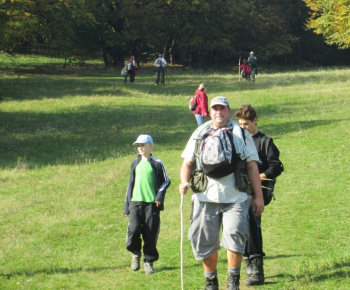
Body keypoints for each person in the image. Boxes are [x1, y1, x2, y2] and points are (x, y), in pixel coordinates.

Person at [179, 96, 264, 290]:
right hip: (204, 196)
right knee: (205, 240)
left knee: (235, 236)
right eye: (215, 108)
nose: (219, 112)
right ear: (209, 112)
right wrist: (184, 181)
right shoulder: (199, 133)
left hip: (235, 196)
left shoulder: (242, 135)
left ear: (228, 110)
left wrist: (258, 197)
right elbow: (187, 163)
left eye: (222, 108)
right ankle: (211, 282)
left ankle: (232, 282)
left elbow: (252, 166)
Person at [235, 104, 284, 286]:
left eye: (246, 124)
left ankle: (257, 268)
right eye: (240, 124)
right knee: (237, 221)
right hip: (241, 188)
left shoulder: (265, 142)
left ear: (255, 121)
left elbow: (276, 166)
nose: (243, 128)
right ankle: (246, 259)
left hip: (261, 188)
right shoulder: (238, 141)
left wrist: (258, 176)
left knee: (250, 213)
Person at [124, 134, 171, 275]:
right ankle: (135, 253)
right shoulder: (135, 163)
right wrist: (127, 206)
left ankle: (148, 262)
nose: (140, 148)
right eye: (138, 145)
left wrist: (159, 196)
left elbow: (166, 181)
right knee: (133, 229)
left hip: (151, 204)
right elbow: (130, 185)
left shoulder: (157, 163)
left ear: (151, 146)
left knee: (150, 233)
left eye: (143, 145)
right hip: (135, 202)